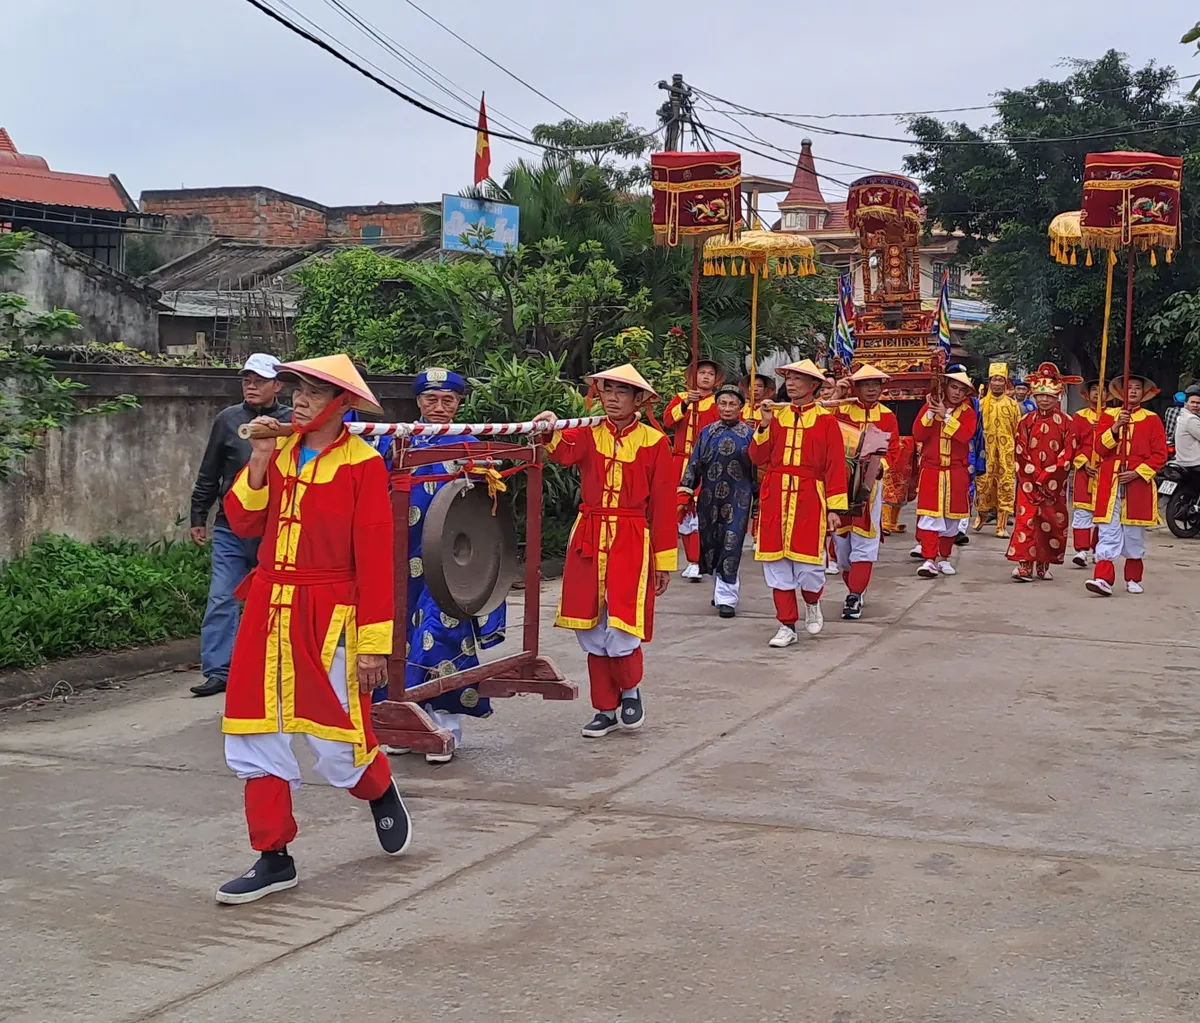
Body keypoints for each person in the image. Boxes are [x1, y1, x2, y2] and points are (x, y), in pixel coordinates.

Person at [216, 354, 409, 905]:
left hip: (330, 615)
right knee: (254, 731)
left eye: (313, 393)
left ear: (341, 405)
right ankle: (274, 856)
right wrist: (256, 457)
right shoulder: (277, 452)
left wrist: (374, 645)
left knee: (335, 744)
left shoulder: (363, 465)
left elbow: (375, 561)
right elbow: (245, 521)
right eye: (296, 389)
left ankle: (377, 787)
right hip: (267, 607)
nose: (298, 400)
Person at [532, 364, 676, 738]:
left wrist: (663, 561)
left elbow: (661, 504)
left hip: (631, 535)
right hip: (590, 534)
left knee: (623, 622)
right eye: (607, 390)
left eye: (621, 392)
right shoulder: (587, 434)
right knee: (592, 626)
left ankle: (630, 691)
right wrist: (549, 425)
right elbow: (561, 452)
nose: (612, 398)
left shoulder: (655, 442)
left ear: (638, 400)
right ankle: (604, 709)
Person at [388, 368, 506, 764]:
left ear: (459, 404)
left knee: (444, 633)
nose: (439, 408)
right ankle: (406, 722)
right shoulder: (397, 442)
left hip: (453, 563)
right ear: (418, 402)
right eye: (431, 400)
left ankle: (447, 727)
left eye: (448, 401)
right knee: (398, 636)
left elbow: (490, 511)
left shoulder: (473, 445)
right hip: (404, 555)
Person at [188, 353, 293, 698]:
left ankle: (275, 668)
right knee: (222, 597)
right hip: (231, 527)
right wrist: (198, 516)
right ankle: (218, 670)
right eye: (247, 380)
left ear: (277, 385)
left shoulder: (292, 424)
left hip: (276, 529)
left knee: (277, 602)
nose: (252, 386)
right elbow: (210, 470)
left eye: (260, 381)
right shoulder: (228, 419)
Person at [750, 358, 849, 647]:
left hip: (809, 495)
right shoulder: (775, 416)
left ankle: (812, 601)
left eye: (797, 378)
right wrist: (765, 425)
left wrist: (834, 507)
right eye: (788, 378)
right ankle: (786, 625)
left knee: (809, 566)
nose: (791, 383)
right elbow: (757, 457)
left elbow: (834, 466)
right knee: (776, 563)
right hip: (775, 494)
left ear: (813, 385)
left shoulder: (826, 421)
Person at [1085, 372, 1169, 596]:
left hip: (1138, 484)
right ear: (1120, 392)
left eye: (1137, 388)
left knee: (1133, 534)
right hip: (1109, 483)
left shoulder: (1152, 419)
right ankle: (1103, 578)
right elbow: (1100, 450)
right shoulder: (1108, 415)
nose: (1132, 391)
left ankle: (1133, 577)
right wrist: (1114, 427)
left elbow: (1160, 454)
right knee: (1108, 532)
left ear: (1143, 393)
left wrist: (1137, 473)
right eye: (1128, 387)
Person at [678, 384, 756, 618]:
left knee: (732, 545)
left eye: (733, 404)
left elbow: (758, 470)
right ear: (716, 405)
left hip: (738, 499)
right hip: (709, 498)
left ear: (741, 407)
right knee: (712, 544)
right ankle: (720, 588)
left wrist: (759, 502)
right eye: (723, 403)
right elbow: (694, 464)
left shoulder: (750, 435)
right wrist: (684, 494)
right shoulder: (707, 432)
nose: (727, 408)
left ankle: (727, 598)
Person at [830, 364, 900, 620]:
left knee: (865, 541)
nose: (871, 389)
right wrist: (837, 394)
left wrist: (878, 467)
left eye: (876, 384)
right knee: (841, 545)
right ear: (855, 386)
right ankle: (855, 586)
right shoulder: (840, 410)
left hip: (869, 488)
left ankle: (854, 595)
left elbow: (893, 450)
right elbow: (819, 424)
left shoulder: (887, 416)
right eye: (865, 384)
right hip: (838, 485)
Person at [1005, 363, 1076, 581]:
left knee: (1050, 522)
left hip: (1055, 485)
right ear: (1034, 396)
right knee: (1026, 522)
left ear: (1058, 397)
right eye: (1040, 396)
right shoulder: (1025, 421)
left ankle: (1044, 564)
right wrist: (1034, 476)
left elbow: (1068, 453)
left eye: (1050, 396)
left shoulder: (1067, 422)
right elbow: (1020, 450)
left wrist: (1049, 476)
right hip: (1028, 482)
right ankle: (1025, 564)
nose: (1044, 400)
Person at [913, 369, 979, 578]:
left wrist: (946, 416)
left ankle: (943, 558)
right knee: (930, 517)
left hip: (956, 472)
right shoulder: (928, 407)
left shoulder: (968, 413)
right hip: (932, 470)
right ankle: (929, 559)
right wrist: (933, 414)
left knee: (952, 519)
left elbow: (965, 436)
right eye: (953, 387)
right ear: (945, 386)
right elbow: (918, 434)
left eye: (962, 390)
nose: (957, 393)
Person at [663, 358, 723, 581]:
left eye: (710, 373)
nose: (706, 377)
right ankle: (693, 560)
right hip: (680, 463)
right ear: (693, 376)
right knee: (682, 513)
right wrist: (686, 403)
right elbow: (668, 420)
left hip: (706, 465)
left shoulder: (718, 403)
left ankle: (703, 559)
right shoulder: (681, 398)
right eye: (702, 373)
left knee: (702, 514)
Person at [973, 362, 1021, 538]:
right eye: (994, 380)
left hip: (1007, 452)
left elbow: (1018, 429)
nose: (997, 383)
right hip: (985, 452)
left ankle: (1001, 526)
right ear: (989, 382)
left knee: (1006, 486)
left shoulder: (1012, 404)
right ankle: (982, 515)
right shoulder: (981, 403)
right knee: (984, 485)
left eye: (1001, 380)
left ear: (1006, 382)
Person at [1069, 379, 1103, 568]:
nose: (1098, 394)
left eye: (1102, 390)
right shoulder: (1079, 417)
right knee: (1082, 511)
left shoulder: (1114, 417)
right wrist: (1083, 463)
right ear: (1088, 394)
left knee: (1102, 514)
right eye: (1094, 390)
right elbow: (1073, 445)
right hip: (1085, 471)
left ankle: (1099, 550)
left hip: (1105, 472)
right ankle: (1081, 550)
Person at [1173, 385, 1200, 468]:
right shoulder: (1190, 419)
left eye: (1198, 403)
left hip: (1184, 461)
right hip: (1193, 463)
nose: (1195, 405)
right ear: (1185, 403)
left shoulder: (1183, 416)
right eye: (1192, 402)